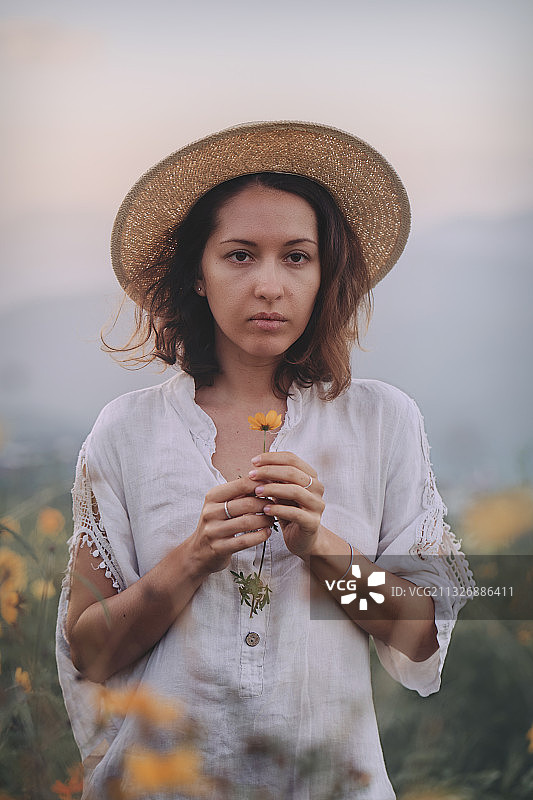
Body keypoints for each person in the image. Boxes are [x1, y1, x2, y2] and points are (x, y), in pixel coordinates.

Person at [56, 121, 475, 800]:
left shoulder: (381, 421)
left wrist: (321, 548)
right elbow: (92, 653)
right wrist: (193, 557)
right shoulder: (127, 431)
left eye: (297, 257)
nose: (270, 285)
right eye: (240, 256)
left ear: (324, 274)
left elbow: (419, 634)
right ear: (198, 274)